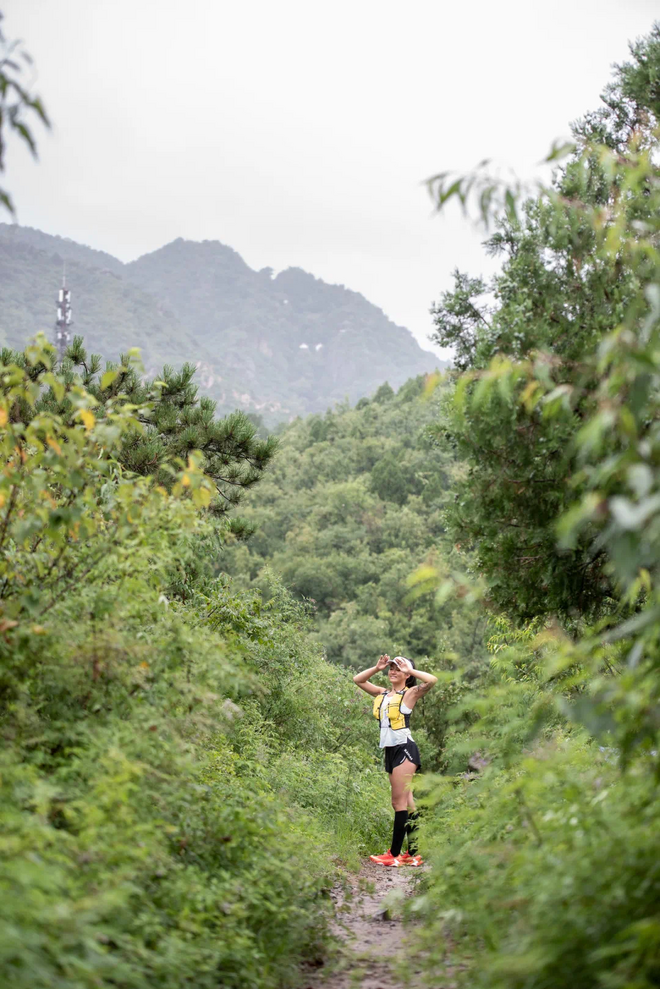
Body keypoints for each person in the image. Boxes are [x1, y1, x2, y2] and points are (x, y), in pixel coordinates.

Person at [353, 654, 437, 867]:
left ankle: (394, 855)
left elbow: (432, 680)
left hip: (405, 750)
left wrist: (410, 669)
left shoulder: (409, 694)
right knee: (408, 802)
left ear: (406, 675)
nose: (393, 671)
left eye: (398, 668)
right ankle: (413, 854)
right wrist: (376, 667)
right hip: (391, 751)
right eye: (391, 667)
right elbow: (358, 680)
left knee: (397, 802)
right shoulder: (382, 693)